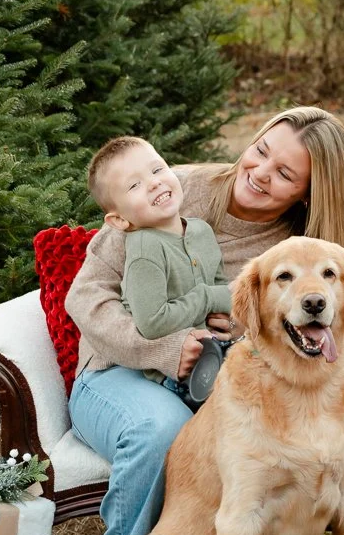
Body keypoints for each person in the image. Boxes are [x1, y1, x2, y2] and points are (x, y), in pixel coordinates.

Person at [66, 107, 344, 535]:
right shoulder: (175, 189)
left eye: (284, 174)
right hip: (117, 372)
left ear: (308, 193)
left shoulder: (298, 249)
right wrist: (161, 349)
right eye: (261, 151)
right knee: (159, 428)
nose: (259, 172)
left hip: (204, 382)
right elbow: (86, 295)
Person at [85, 135, 233, 397]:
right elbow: (152, 322)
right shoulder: (145, 248)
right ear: (119, 220)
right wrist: (207, 298)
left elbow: (219, 285)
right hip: (170, 376)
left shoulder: (201, 230)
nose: (154, 183)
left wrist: (225, 316)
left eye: (157, 169)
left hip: (211, 354)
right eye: (134, 185)